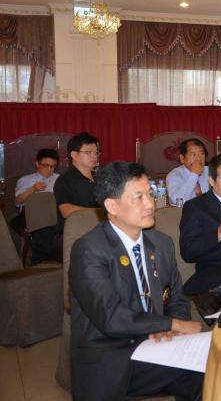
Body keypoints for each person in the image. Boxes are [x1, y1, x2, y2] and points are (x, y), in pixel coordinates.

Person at [69, 161, 202, 401]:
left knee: (210, 366)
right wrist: (171, 323)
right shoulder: (89, 250)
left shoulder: (161, 243)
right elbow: (111, 317)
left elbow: (176, 298)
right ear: (112, 205)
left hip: (156, 343)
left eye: (150, 194)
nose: (150, 203)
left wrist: (170, 327)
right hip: (112, 354)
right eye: (138, 197)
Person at [179, 153, 221, 316]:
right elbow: (188, 252)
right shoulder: (196, 207)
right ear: (211, 181)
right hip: (216, 272)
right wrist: (218, 233)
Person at [53, 131, 100, 262]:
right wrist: (100, 212)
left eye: (96, 152)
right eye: (89, 152)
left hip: (97, 232)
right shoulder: (64, 180)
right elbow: (66, 211)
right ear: (74, 155)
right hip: (72, 236)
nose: (94, 156)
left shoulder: (100, 178)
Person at [11, 148, 60, 242]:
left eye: (53, 166)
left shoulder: (59, 179)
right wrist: (33, 189)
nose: (49, 169)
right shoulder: (25, 180)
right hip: (32, 214)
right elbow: (18, 201)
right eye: (46, 165)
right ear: (37, 164)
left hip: (53, 214)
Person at [166, 138, 210, 206]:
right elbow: (177, 201)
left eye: (201, 154)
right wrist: (194, 175)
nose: (198, 158)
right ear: (182, 158)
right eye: (193, 154)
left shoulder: (211, 171)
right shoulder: (174, 175)